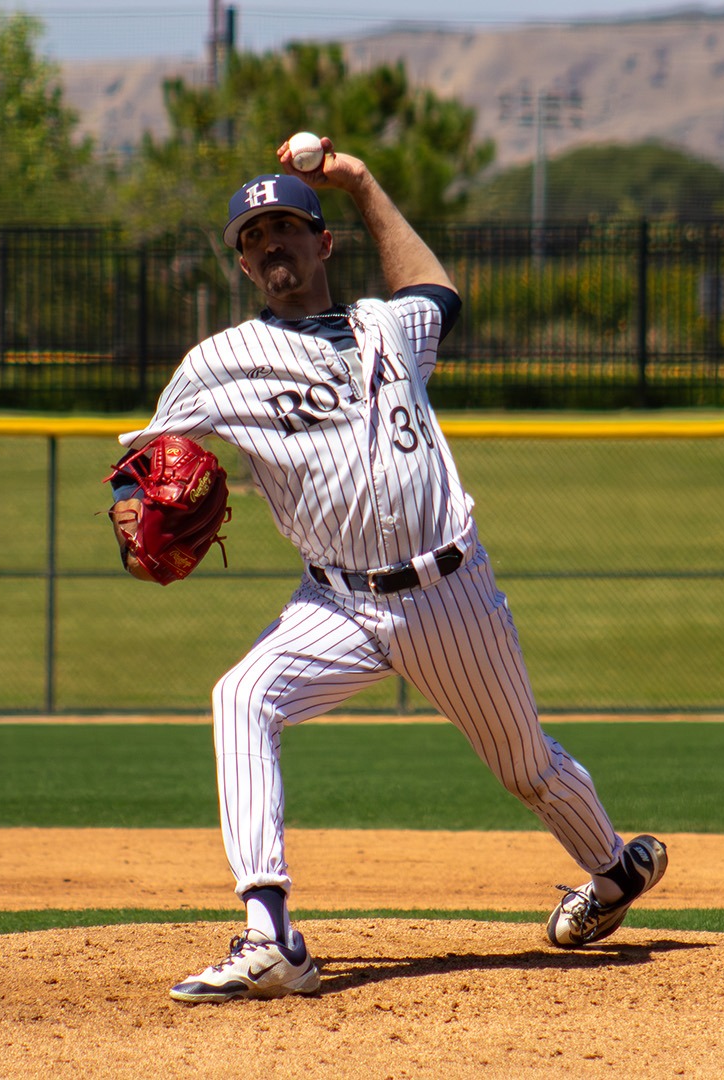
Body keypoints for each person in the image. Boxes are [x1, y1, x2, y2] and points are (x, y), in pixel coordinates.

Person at [109, 137, 667, 1005]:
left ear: (322, 243)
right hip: (332, 602)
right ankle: (270, 936)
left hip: (450, 594)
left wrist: (361, 180)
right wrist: (134, 529)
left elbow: (438, 290)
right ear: (246, 264)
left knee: (528, 768)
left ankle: (613, 873)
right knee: (241, 697)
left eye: (287, 227)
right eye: (254, 238)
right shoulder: (217, 363)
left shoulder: (387, 325)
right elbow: (139, 469)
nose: (271, 246)